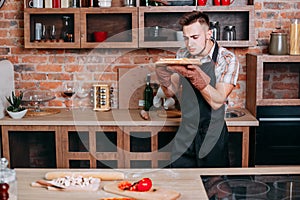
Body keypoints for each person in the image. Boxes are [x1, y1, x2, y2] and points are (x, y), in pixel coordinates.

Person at [155, 11, 239, 168]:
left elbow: (217, 101)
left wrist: (197, 78)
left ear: (209, 34)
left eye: (194, 38)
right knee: (181, 184)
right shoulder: (183, 54)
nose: (189, 44)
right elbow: (170, 92)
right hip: (186, 132)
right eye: (186, 38)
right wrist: (164, 79)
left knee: (213, 186)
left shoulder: (226, 59)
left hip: (212, 134)